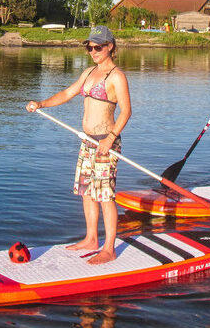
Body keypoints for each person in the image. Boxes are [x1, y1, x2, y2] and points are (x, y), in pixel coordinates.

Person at [26, 25, 131, 264]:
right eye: (89, 47)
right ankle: (91, 239)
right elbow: (66, 94)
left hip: (106, 143)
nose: (92, 51)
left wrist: (110, 138)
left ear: (110, 47)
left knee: (105, 195)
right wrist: (40, 104)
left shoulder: (117, 76)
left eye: (98, 47)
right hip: (87, 142)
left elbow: (126, 111)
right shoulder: (88, 73)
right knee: (86, 192)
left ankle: (109, 248)